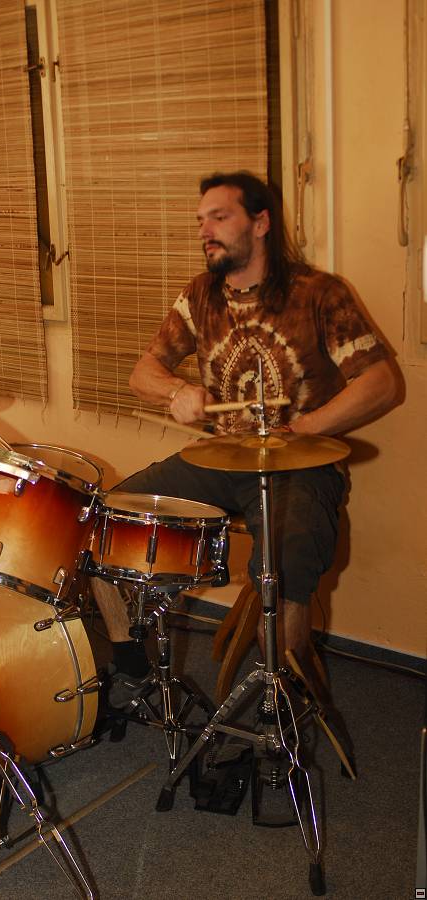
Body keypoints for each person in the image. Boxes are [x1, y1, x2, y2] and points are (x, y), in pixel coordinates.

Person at [92, 170, 399, 705]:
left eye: (219, 217)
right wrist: (175, 391)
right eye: (201, 220)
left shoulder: (318, 294)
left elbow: (381, 382)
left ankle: (280, 702)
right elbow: (143, 372)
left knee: (285, 563)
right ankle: (129, 656)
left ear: (260, 223)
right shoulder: (200, 295)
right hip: (220, 458)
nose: (204, 230)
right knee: (103, 518)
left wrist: (306, 426)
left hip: (301, 464)